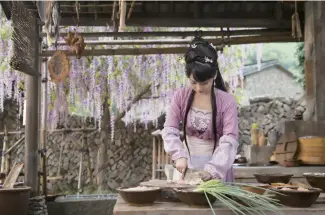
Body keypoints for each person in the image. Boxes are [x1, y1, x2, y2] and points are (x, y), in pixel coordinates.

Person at [162, 36, 239, 182]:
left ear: (214, 76)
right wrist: (179, 155)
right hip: (186, 165)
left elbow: (229, 140)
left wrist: (212, 170)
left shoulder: (227, 101)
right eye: (193, 82)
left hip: (218, 167)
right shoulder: (180, 96)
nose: (198, 88)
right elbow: (169, 129)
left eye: (204, 83)